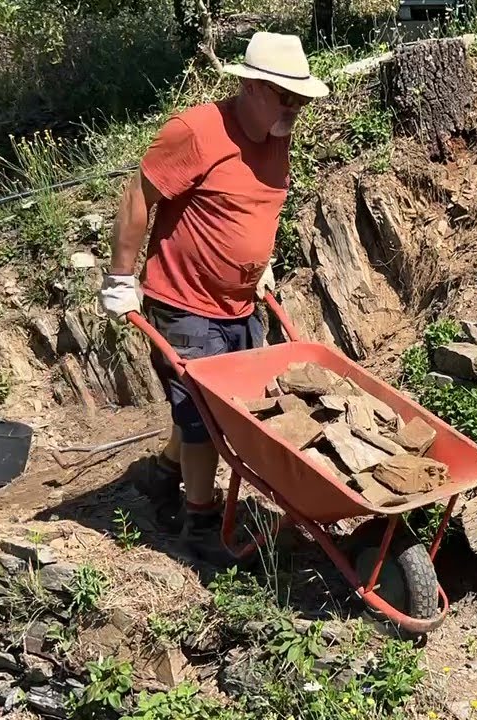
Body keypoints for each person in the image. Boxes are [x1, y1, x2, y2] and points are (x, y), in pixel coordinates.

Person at [98, 32, 329, 560]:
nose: (295, 108)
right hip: (185, 301)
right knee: (201, 414)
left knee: (235, 409)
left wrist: (260, 262)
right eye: (285, 96)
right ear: (251, 85)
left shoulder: (277, 133)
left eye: (301, 100)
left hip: (241, 302)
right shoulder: (196, 132)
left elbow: (250, 206)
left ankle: (164, 473)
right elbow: (138, 194)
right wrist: (120, 276)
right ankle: (199, 523)